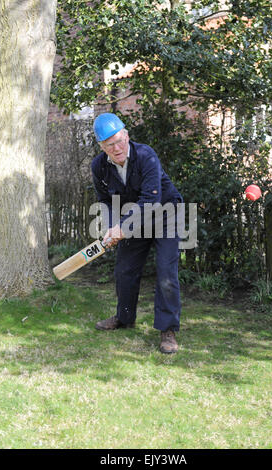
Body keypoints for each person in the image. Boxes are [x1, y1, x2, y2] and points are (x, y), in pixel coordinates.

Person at [91, 113, 182, 354]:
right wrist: (112, 227)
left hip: (166, 213)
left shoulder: (146, 155)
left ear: (127, 136)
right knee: (125, 269)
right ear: (102, 147)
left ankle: (168, 329)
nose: (117, 147)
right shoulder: (99, 167)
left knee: (166, 271)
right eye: (110, 144)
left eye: (120, 140)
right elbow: (105, 201)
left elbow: (151, 199)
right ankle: (125, 317)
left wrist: (122, 227)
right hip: (132, 220)